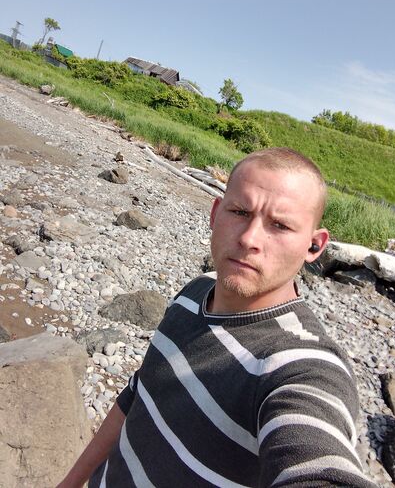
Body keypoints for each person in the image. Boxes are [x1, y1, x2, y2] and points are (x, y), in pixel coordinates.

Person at [58, 147, 377, 487]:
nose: (249, 238)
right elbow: (137, 395)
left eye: (280, 225)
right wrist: (71, 482)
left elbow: (317, 457)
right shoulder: (195, 292)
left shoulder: (299, 367)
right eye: (240, 211)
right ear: (214, 214)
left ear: (314, 246)